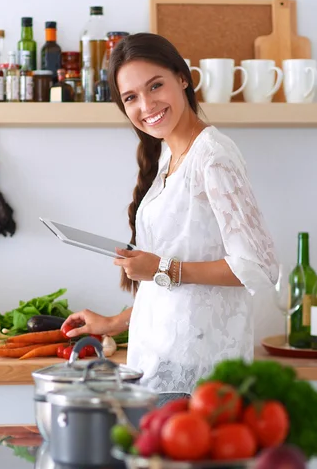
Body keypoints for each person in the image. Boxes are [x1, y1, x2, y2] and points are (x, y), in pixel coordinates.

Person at [63, 33, 278, 406]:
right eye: (131, 97)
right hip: (159, 367)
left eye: (155, 86)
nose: (146, 105)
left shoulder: (212, 156)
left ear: (183, 78)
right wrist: (114, 322)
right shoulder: (168, 156)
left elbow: (259, 266)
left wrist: (163, 268)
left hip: (198, 380)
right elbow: (179, 295)